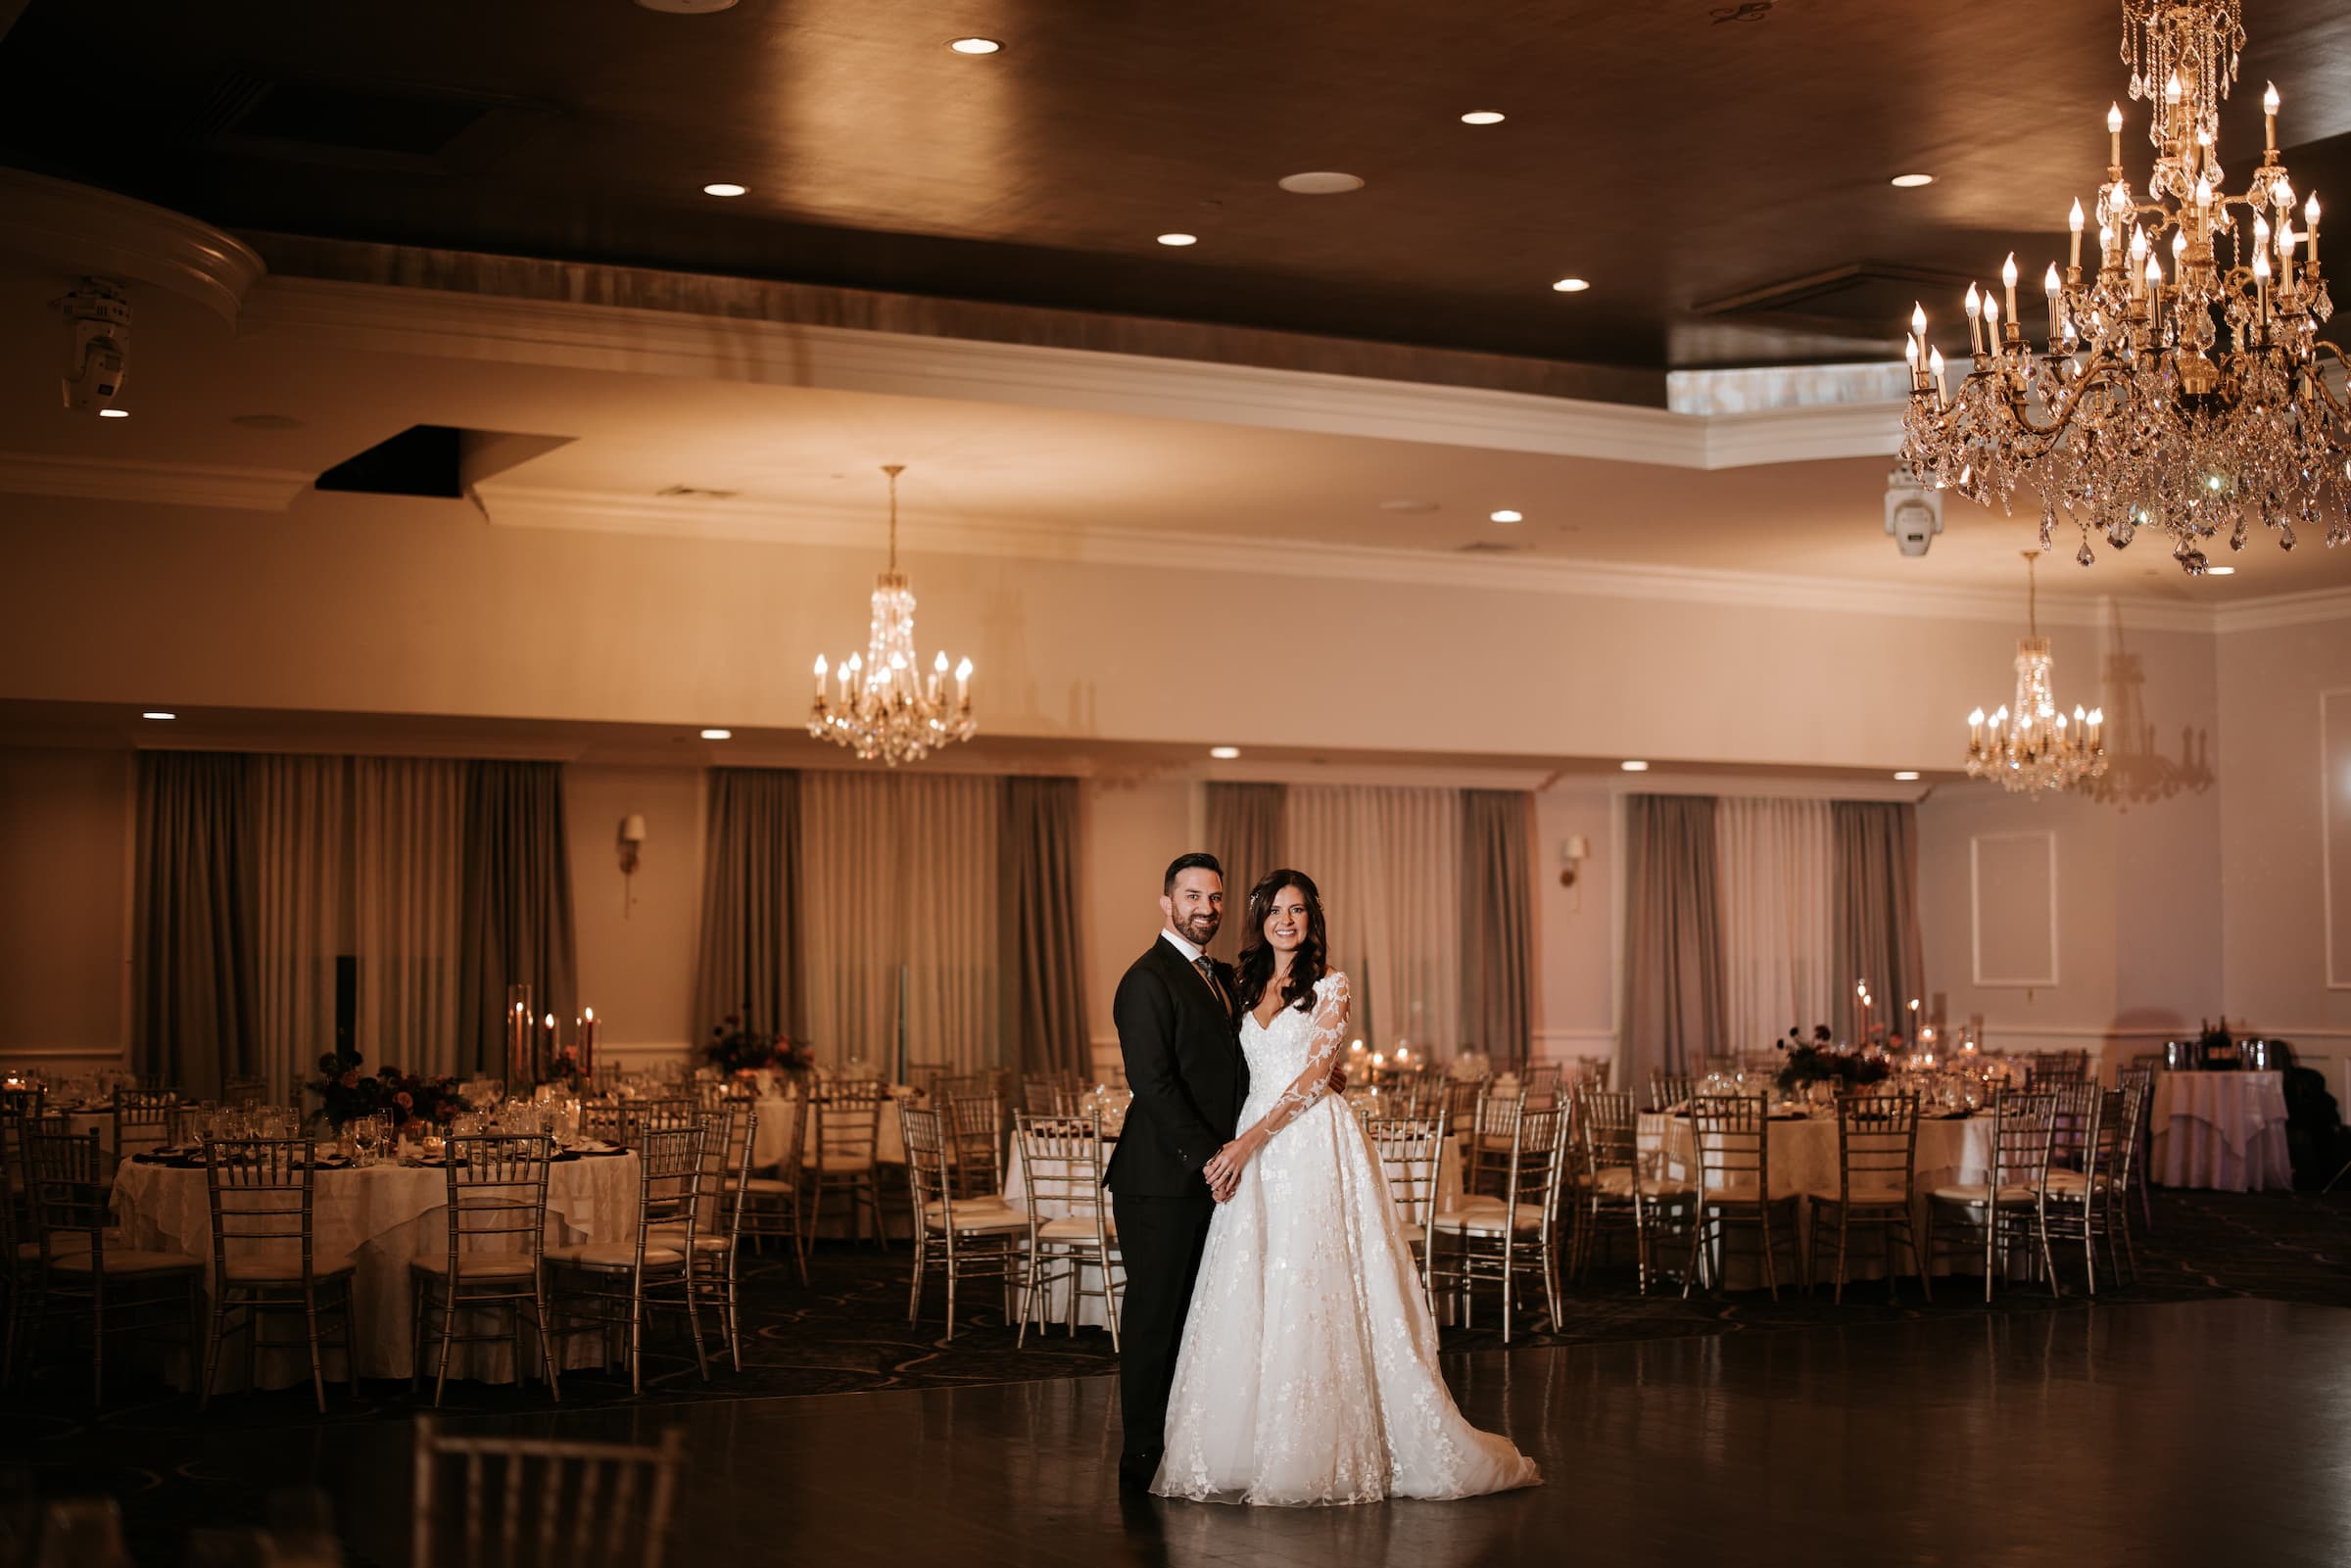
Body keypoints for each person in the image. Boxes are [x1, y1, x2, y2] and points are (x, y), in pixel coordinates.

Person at [1151, 868, 1541, 1505]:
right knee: (1253, 1283)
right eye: (1276, 909)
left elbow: (1314, 1074)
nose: (1287, 919)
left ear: (1312, 919)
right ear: (1260, 919)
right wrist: (1236, 1137)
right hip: (1254, 1147)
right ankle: (1243, 1444)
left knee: (1310, 1280)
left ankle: (1314, 1446)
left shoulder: (1332, 984)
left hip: (1307, 1143)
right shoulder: (1240, 984)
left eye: (1298, 909)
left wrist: (1251, 1139)